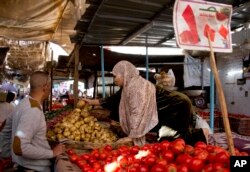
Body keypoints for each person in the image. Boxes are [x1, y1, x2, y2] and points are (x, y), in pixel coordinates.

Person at [84, 60, 207, 146]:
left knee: (174, 137)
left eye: (117, 76)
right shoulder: (128, 86)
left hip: (177, 105)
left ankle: (203, 135)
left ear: (125, 74)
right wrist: (90, 102)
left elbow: (138, 113)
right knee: (168, 139)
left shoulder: (136, 87)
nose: (115, 79)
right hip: (168, 106)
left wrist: (132, 136)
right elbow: (113, 100)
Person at [11, 71, 65, 172]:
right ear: (45, 87)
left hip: (24, 166)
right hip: (33, 168)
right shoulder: (33, 110)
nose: (50, 90)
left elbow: (6, 128)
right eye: (50, 86)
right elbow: (20, 147)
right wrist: (52, 153)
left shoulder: (23, 103)